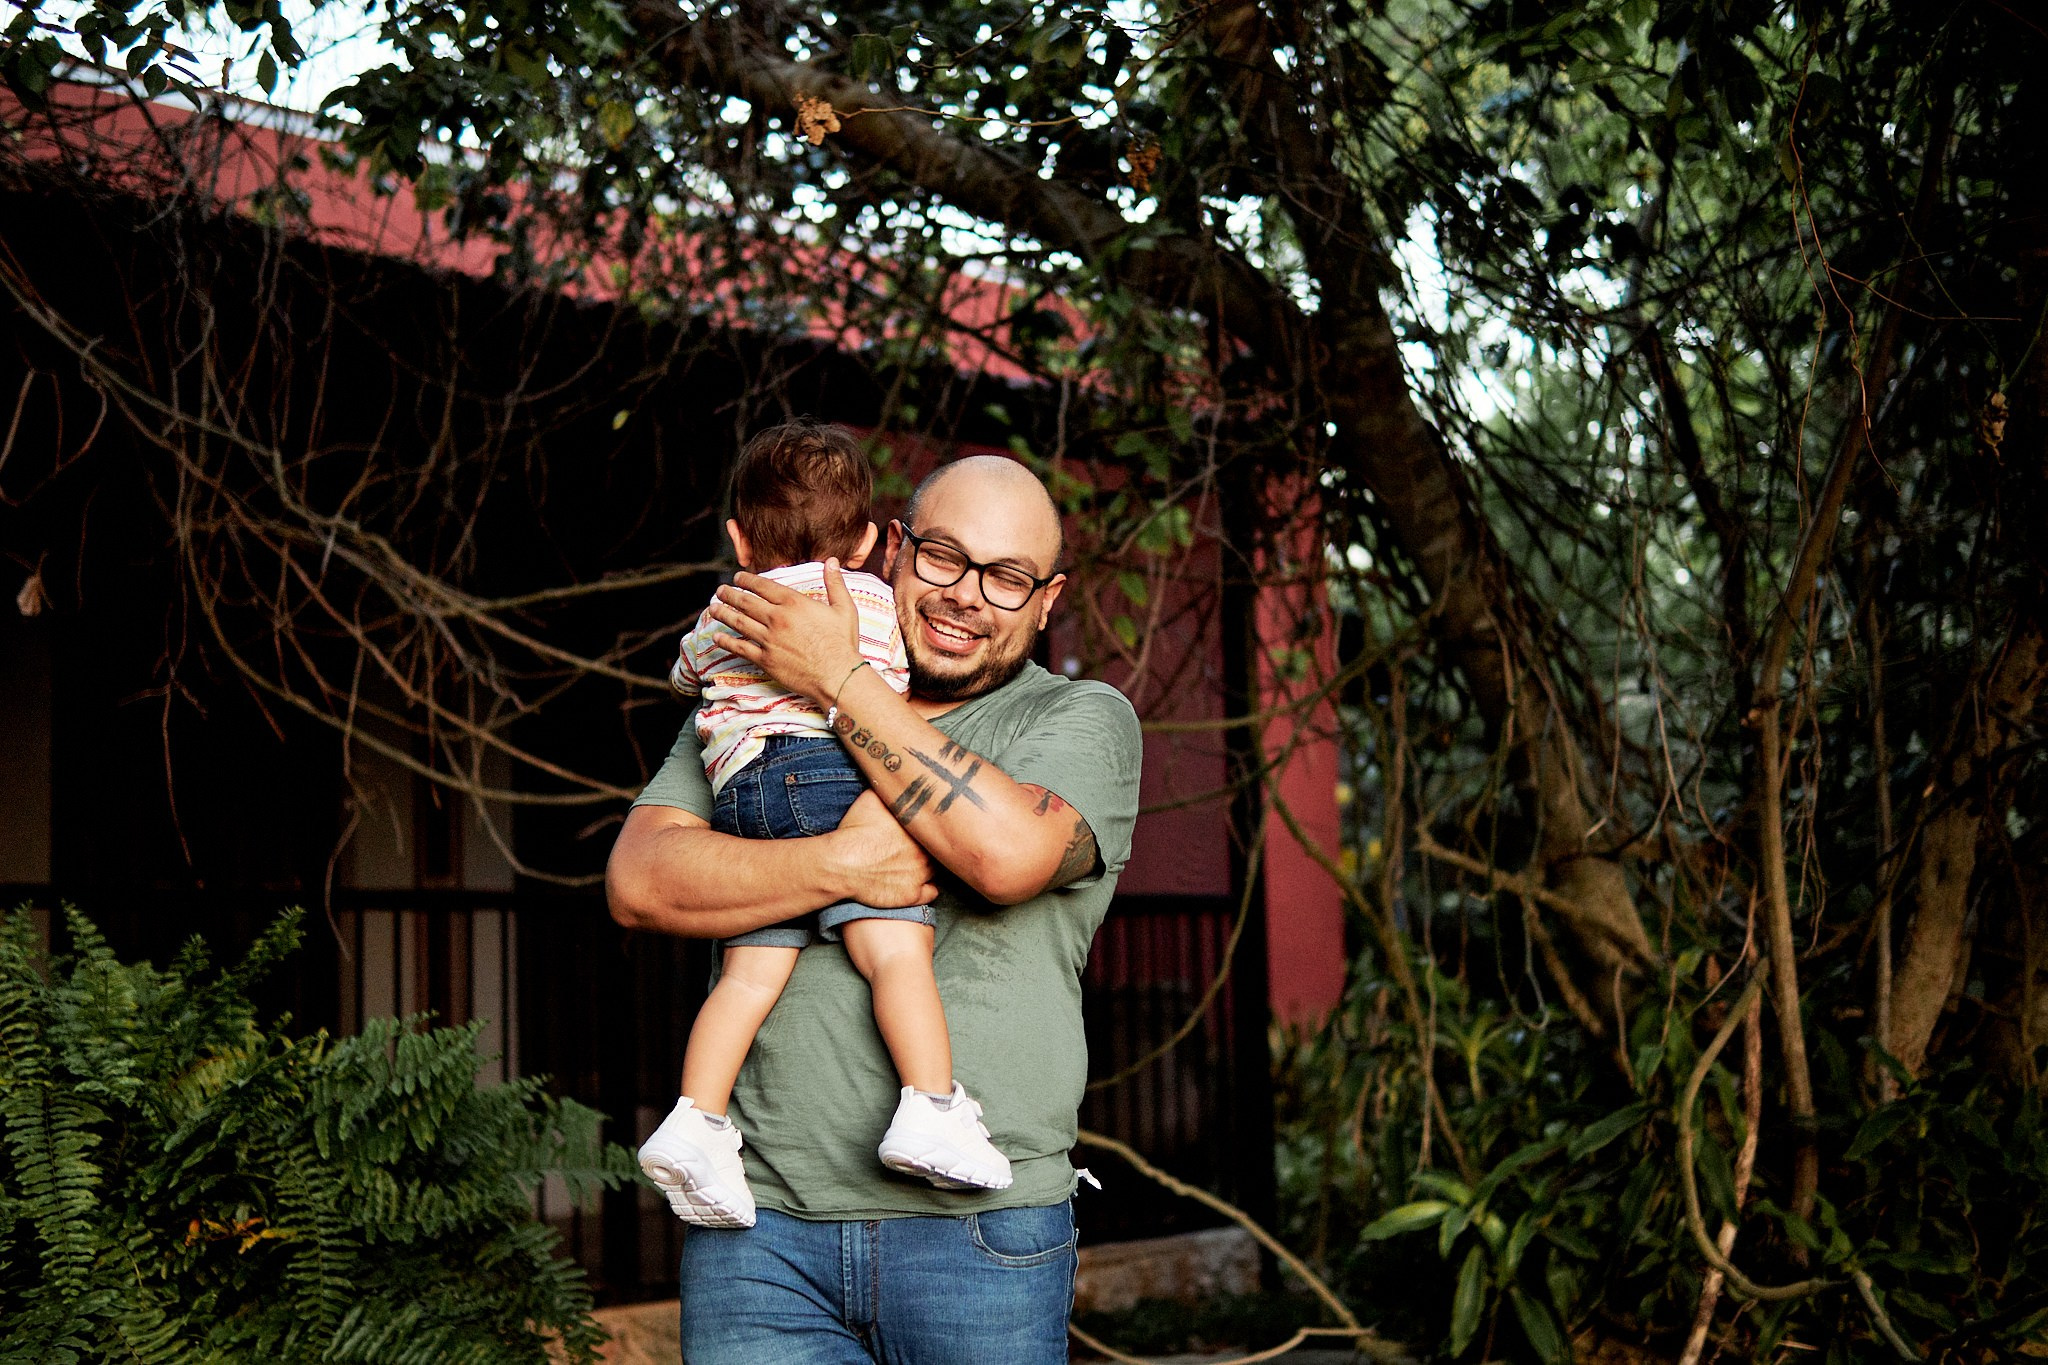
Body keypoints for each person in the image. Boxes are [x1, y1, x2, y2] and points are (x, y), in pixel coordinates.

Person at [607, 447, 1143, 1365]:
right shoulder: (758, 700)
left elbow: (1007, 853)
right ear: (891, 546)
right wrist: (844, 861)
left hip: (980, 1237)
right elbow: (643, 881)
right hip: (760, 1235)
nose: (968, 593)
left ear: (1048, 600)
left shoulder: (1078, 719)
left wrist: (838, 679)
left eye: (1007, 577)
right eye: (944, 555)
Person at [637, 422, 1013, 1233]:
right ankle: (930, 1105)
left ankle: (696, 1119)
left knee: (747, 978)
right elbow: (895, 692)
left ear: (739, 537)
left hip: (742, 792)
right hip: (830, 776)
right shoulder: (870, 600)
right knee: (895, 953)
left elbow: (683, 672)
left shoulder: (730, 604)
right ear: (877, 542)